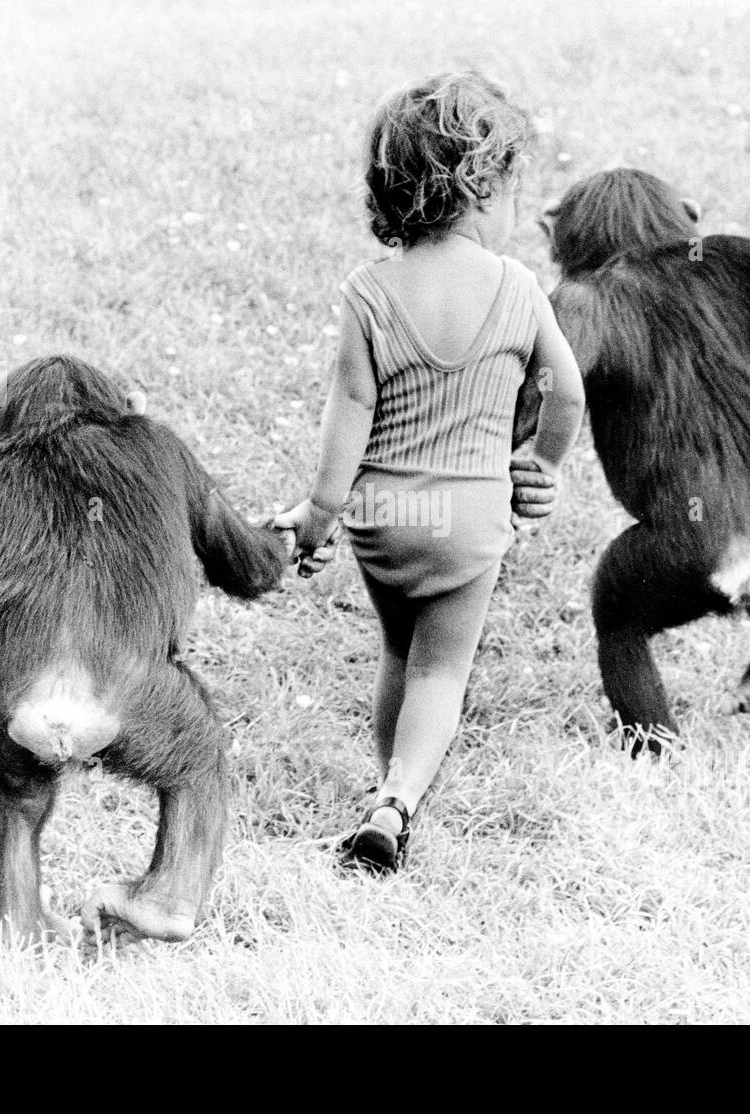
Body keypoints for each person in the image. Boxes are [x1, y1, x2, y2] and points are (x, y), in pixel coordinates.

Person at [275, 72, 585, 873]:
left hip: (384, 516)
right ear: (483, 187)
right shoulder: (517, 288)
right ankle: (400, 800)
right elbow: (566, 390)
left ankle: (385, 785)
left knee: (397, 655)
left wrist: (319, 511)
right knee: (442, 670)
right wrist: (539, 463)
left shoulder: (370, 291)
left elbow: (349, 403)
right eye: (517, 191)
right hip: (471, 519)